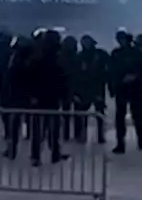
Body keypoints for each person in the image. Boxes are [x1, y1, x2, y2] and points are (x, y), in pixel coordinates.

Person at [28, 29, 67, 165]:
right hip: (48, 96)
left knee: (43, 129)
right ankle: (47, 154)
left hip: (45, 96)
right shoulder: (53, 55)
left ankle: (39, 155)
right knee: (47, 129)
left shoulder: (40, 54)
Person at [107, 30, 142, 153]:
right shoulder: (117, 53)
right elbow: (111, 71)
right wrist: (112, 86)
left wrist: (135, 76)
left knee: (137, 116)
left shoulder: (136, 53)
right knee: (121, 117)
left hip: (135, 88)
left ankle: (140, 139)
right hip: (122, 88)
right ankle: (121, 142)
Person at [74, 35, 109, 144]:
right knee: (81, 114)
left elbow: (108, 67)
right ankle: (81, 135)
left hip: (97, 87)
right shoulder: (81, 56)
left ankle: (100, 136)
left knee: (99, 113)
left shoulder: (99, 54)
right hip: (84, 88)